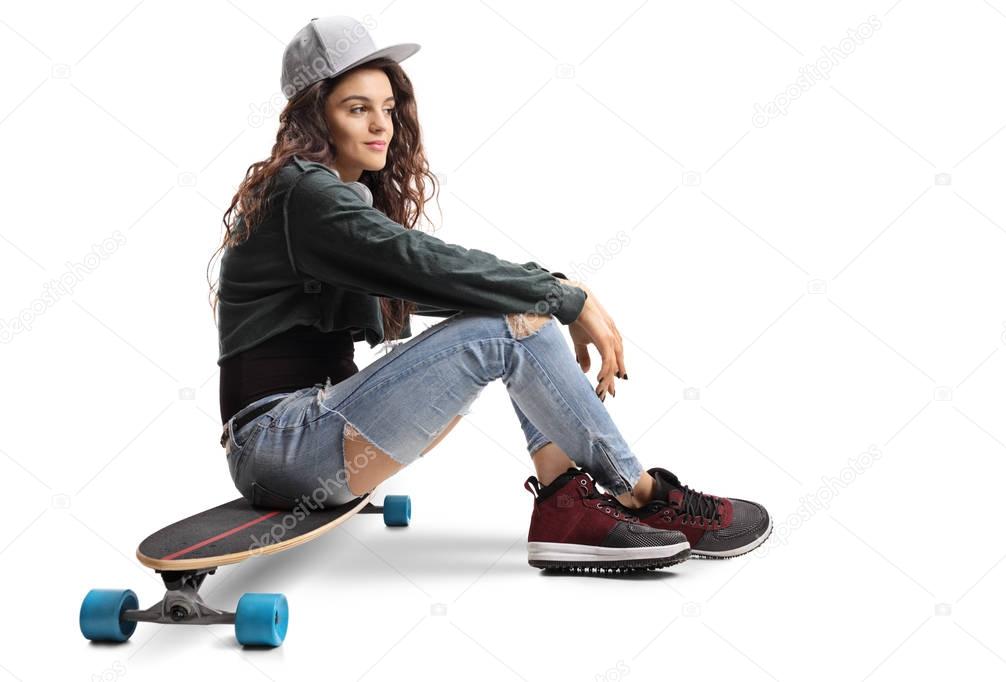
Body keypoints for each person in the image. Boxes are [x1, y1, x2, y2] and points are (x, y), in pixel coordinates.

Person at [209, 16, 771, 572]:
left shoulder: (330, 197)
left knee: (514, 311)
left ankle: (564, 504)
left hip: (313, 437)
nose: (381, 125)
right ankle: (640, 494)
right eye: (357, 109)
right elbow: (421, 262)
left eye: (386, 108)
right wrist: (564, 297)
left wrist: (549, 291)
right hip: (279, 447)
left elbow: (435, 278)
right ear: (314, 117)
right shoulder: (306, 194)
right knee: (512, 323)